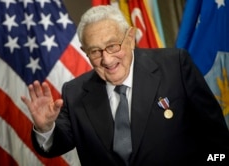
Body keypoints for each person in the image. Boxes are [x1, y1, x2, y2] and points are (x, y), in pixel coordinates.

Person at [21, 5, 229, 166]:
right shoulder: (75, 92)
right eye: (95, 51)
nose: (107, 60)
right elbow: (57, 145)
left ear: (130, 38)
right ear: (85, 51)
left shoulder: (175, 66)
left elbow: (219, 142)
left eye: (112, 46)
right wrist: (45, 128)